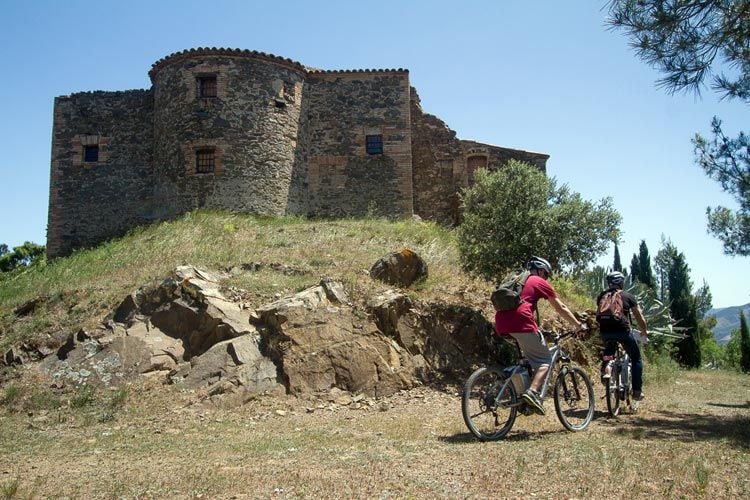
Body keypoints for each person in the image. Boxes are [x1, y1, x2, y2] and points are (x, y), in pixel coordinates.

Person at [494, 256, 587, 415]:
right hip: (521, 322)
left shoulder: (517, 280)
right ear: (541, 270)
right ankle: (532, 393)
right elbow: (561, 307)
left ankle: (517, 392)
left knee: (527, 361)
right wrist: (578, 325)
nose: (546, 277)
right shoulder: (538, 281)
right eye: (547, 274)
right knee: (545, 360)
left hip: (501, 322)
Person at [596, 271, 649, 401]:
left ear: (609, 283)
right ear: (621, 282)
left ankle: (607, 368)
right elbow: (638, 316)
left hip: (606, 332)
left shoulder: (602, 296)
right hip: (623, 331)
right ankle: (637, 391)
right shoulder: (628, 296)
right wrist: (644, 331)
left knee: (609, 352)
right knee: (636, 359)